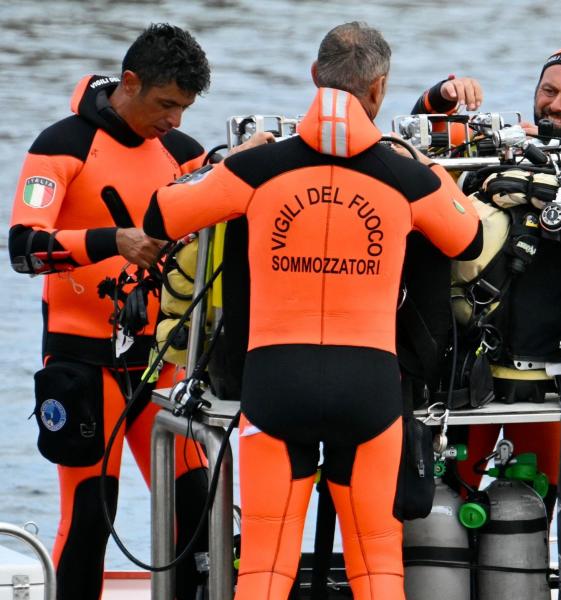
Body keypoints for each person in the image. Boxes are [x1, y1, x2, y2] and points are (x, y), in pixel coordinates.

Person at [143, 21, 482, 600]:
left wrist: (231, 161)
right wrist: (421, 161)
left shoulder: (258, 168)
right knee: (376, 566)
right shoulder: (404, 175)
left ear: (313, 78)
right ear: (378, 90)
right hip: (370, 386)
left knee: (265, 569)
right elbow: (467, 239)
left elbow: (161, 216)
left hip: (275, 383)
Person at [8, 23, 217, 599]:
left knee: (198, 506)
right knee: (93, 517)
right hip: (82, 361)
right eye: (166, 104)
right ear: (130, 83)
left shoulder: (183, 153)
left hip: (162, 362)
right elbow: (23, 249)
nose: (174, 120)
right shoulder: (60, 145)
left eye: (185, 107)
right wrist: (112, 241)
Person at [410, 45, 561, 511]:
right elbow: (414, 148)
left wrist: (557, 168)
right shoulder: (499, 142)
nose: (556, 105)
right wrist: (442, 97)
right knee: (441, 500)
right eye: (549, 90)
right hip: (469, 363)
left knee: (534, 507)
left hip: (548, 374)